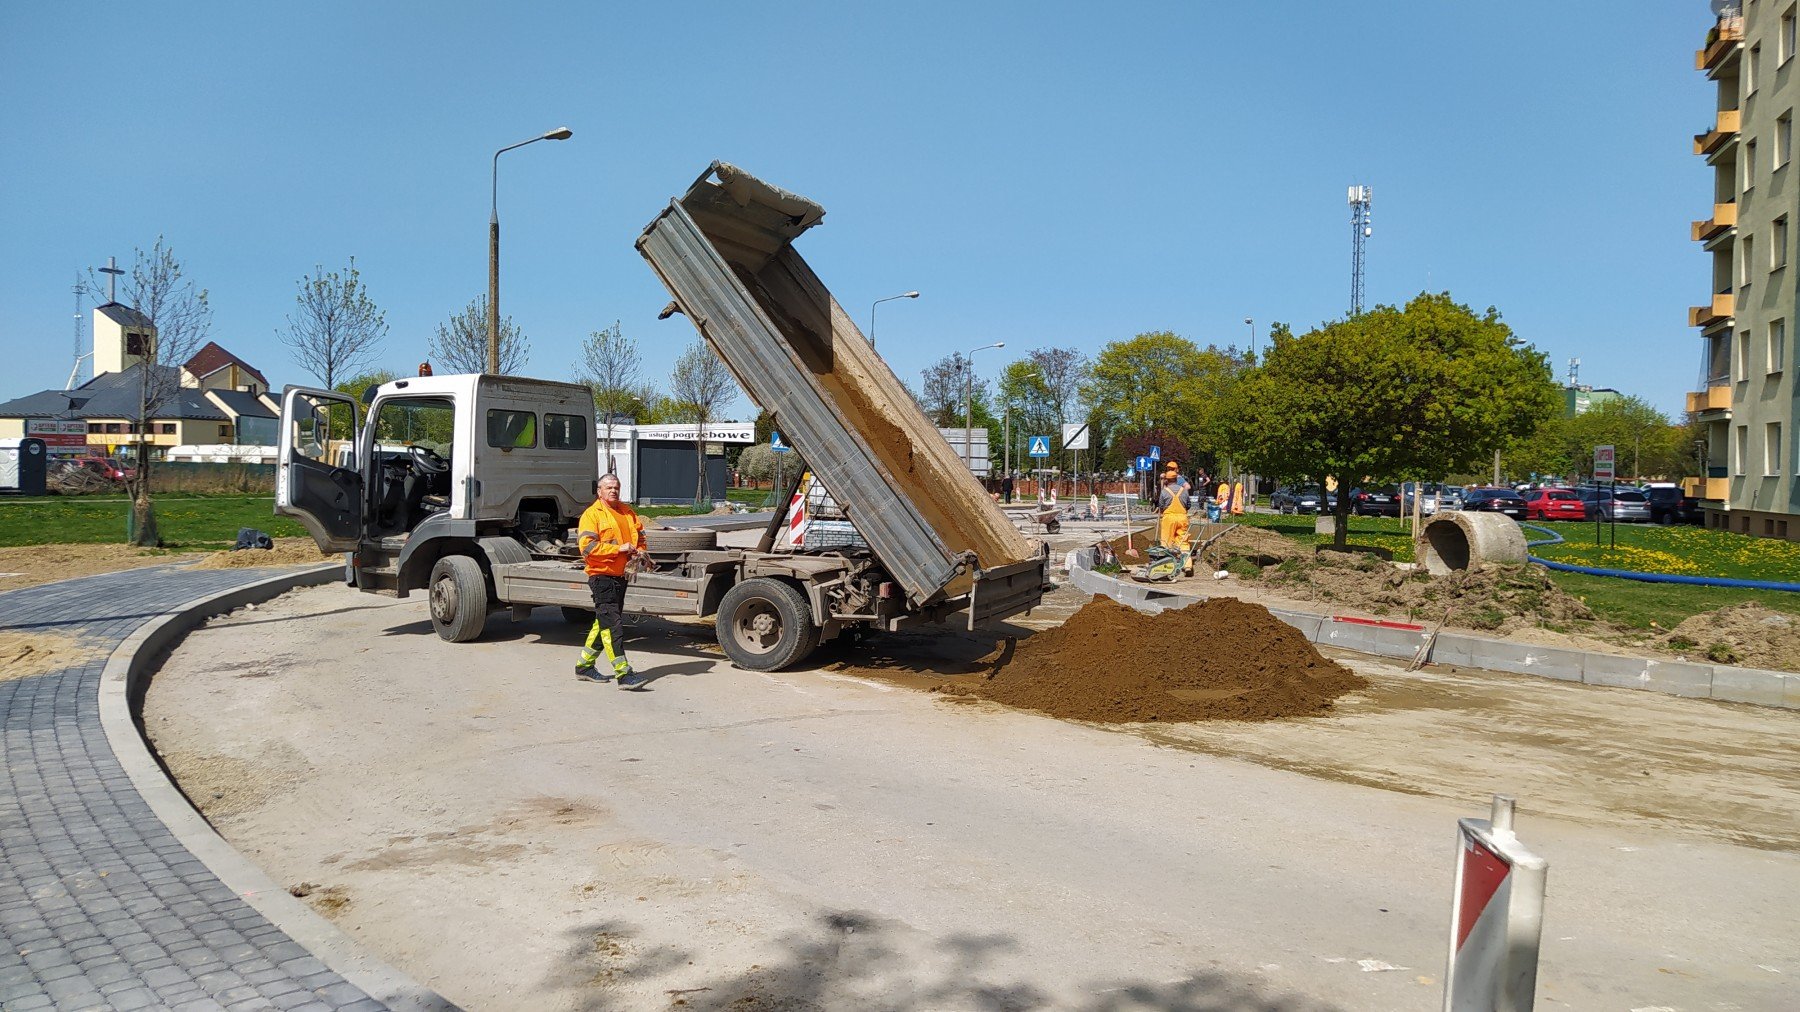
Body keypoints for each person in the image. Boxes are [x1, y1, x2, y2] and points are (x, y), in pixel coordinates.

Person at [576, 474, 647, 687]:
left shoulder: (627, 512)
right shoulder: (591, 515)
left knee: (604, 622)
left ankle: (584, 666)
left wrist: (640, 551)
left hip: (620, 576)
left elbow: (641, 536)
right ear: (599, 491)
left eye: (616, 487)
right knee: (612, 625)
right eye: (608, 488)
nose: (613, 490)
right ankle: (623, 674)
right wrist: (618, 549)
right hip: (601, 576)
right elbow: (587, 547)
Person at [1157, 467, 1190, 551]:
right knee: (1183, 541)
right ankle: (1185, 557)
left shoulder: (1164, 491)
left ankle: (1167, 557)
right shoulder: (1184, 491)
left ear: (1167, 480)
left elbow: (1161, 506)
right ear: (1176, 479)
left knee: (1166, 542)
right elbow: (1188, 505)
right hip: (1182, 519)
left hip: (1169, 519)